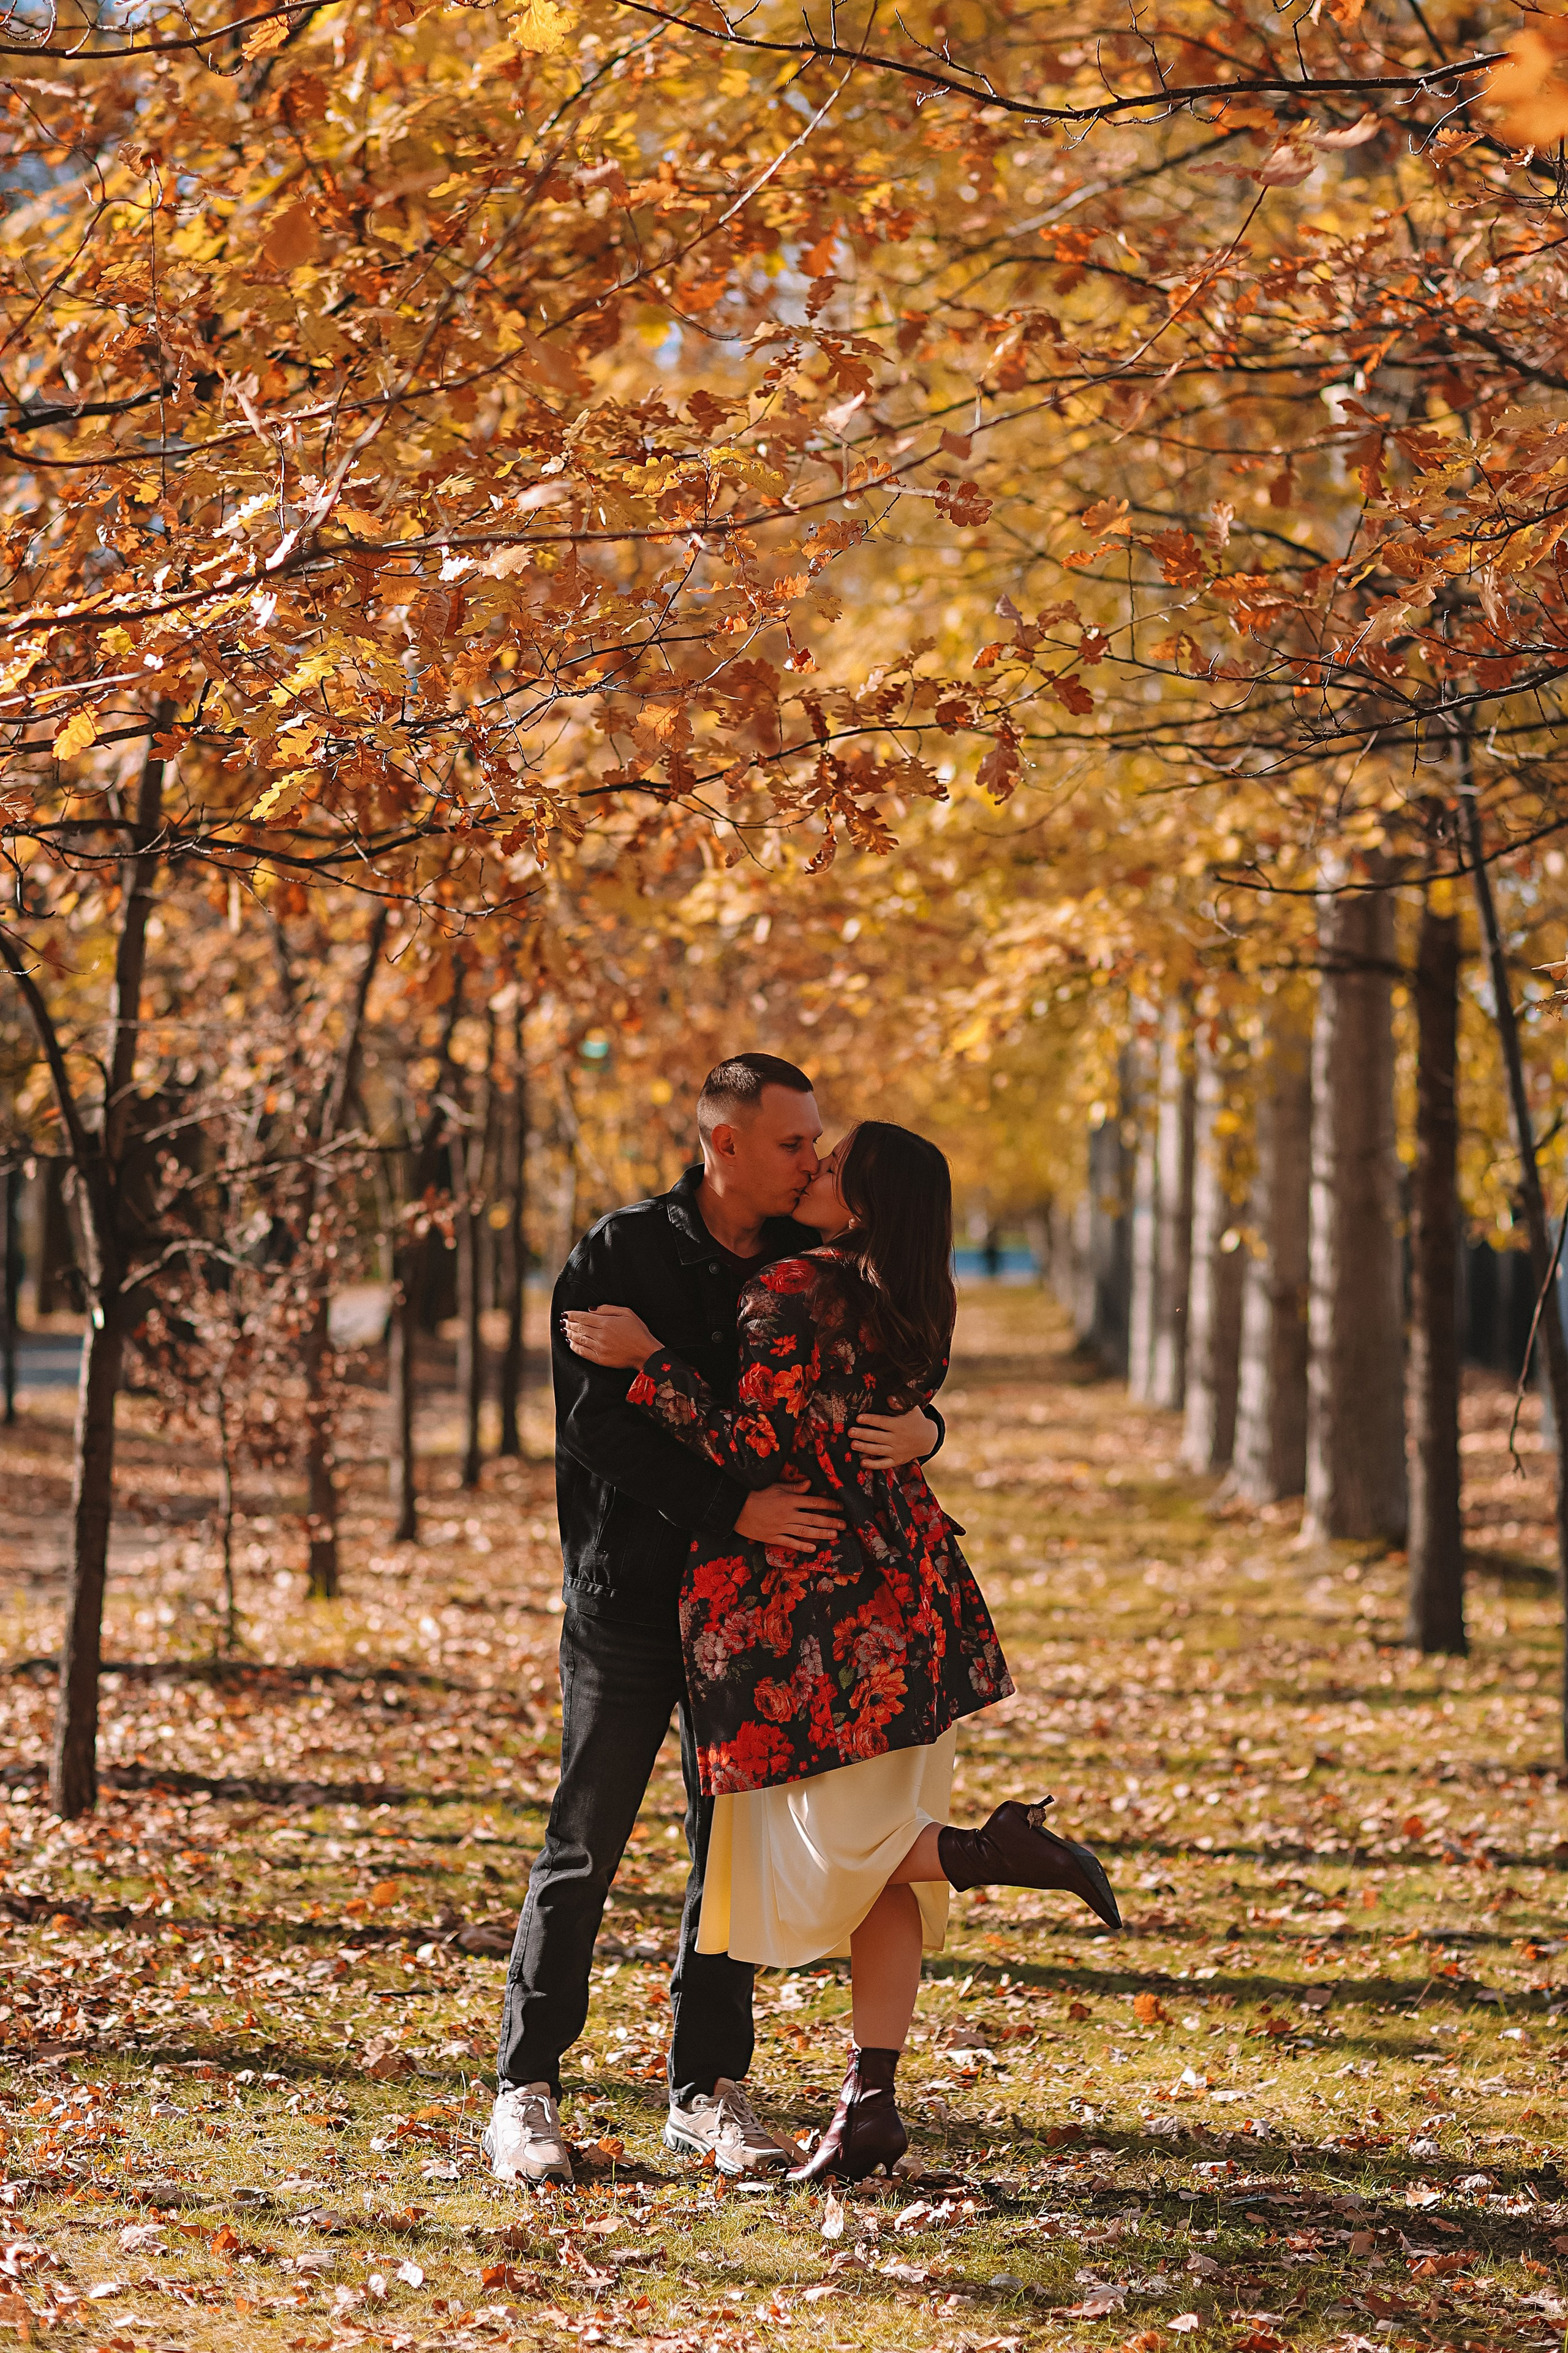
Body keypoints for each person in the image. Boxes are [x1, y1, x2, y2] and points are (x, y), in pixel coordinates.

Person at [564, 1119, 1121, 2184]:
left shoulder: (791, 1288)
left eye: (833, 1164)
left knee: (835, 1849)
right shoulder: (915, 1292)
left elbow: (756, 1448)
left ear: (861, 1204)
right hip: (910, 1605)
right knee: (878, 1867)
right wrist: (932, 1430)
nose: (813, 1169)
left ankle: (997, 1850)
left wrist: (652, 1362)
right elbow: (880, 1411)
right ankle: (871, 2102)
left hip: (826, 1616)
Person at [484, 1057, 944, 2189]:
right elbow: (601, 1428)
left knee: (722, 1851)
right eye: (795, 1143)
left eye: (819, 1143)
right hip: (633, 1597)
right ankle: (525, 2088)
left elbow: (867, 1373)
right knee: (586, 1838)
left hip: (758, 1618)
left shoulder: (810, 1257)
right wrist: (733, 1503)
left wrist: (925, 1424)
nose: (814, 1160)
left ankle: (706, 2091)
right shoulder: (620, 1254)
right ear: (722, 1143)